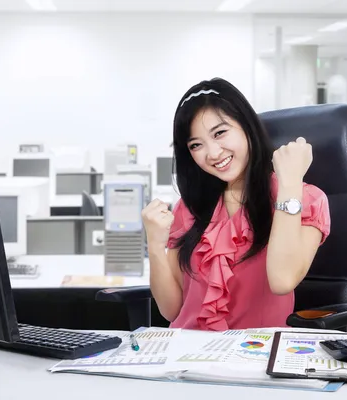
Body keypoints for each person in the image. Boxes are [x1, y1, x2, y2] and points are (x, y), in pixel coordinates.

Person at [141, 78, 331, 331]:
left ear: (246, 126)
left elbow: (282, 280)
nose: (213, 153)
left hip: (255, 356)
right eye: (196, 145)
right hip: (187, 354)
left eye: (220, 133)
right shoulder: (190, 207)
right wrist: (154, 245)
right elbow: (171, 310)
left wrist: (290, 183)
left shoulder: (307, 198)